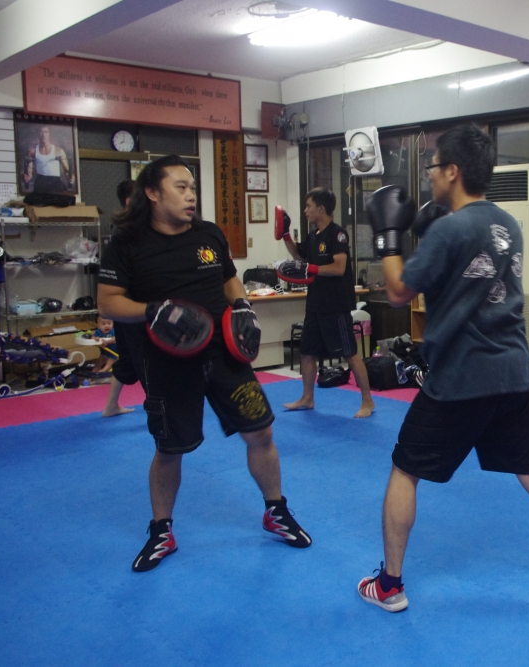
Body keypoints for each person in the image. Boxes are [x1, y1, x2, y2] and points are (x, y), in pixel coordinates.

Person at [357, 124, 529, 614]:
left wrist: (388, 238)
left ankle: (389, 585)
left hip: (461, 377)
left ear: (452, 171)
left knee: (405, 471)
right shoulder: (509, 224)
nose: (429, 175)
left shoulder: (449, 229)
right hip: (514, 375)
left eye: (432, 166)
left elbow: (398, 291)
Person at [97, 155, 311, 573]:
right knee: (170, 448)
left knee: (261, 431)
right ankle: (162, 530)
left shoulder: (209, 234)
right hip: (168, 360)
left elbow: (229, 278)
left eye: (193, 187)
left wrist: (242, 304)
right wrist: (151, 310)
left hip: (224, 354)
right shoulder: (127, 242)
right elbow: (108, 302)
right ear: (152, 192)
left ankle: (275, 510)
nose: (191, 195)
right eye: (180, 187)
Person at [278, 187, 375, 419]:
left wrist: (311, 268)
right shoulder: (313, 235)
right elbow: (299, 257)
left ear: (321, 209)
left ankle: (368, 401)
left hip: (335, 305)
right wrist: (285, 235)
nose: (305, 211)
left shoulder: (337, 234)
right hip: (315, 303)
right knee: (307, 352)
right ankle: (307, 397)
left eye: (308, 206)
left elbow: (338, 268)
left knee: (350, 353)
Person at [102, 180, 141, 418]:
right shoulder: (127, 231)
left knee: (127, 358)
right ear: (129, 201)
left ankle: (111, 406)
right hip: (130, 305)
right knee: (143, 357)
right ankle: (162, 407)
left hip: (127, 304)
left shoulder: (125, 228)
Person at [22, 125, 75, 193]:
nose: (43, 135)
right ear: (38, 134)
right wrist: (26, 177)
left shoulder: (59, 151)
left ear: (49, 134)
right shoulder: (32, 152)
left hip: (55, 182)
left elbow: (66, 171)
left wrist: (70, 178)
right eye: (41, 132)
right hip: (40, 182)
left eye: (46, 132)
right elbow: (29, 173)